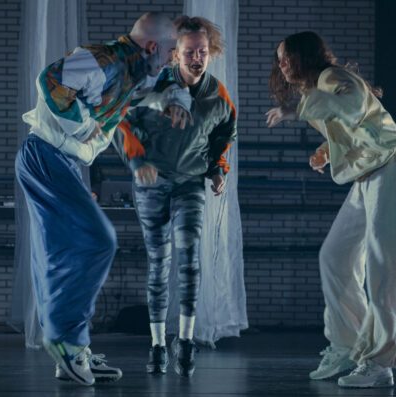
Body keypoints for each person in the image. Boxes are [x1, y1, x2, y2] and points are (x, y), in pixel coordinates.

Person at [15, 12, 193, 386]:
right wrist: (84, 123)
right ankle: (65, 343)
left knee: (61, 251)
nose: (174, 58)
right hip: (46, 155)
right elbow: (49, 79)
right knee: (98, 241)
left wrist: (178, 102)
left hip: (56, 160)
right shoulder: (107, 60)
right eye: (172, 50)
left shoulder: (139, 70)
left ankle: (72, 350)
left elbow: (166, 82)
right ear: (152, 47)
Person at [266, 31, 396, 388]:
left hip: (391, 169)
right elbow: (352, 123)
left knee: (384, 268)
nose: (282, 65)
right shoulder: (319, 87)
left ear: (304, 56)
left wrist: (295, 111)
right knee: (335, 256)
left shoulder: (332, 78)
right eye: (279, 59)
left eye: (286, 57)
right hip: (369, 175)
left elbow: (352, 106)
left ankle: (380, 363)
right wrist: (327, 147)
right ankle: (348, 345)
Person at [112, 16, 236, 377]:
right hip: (151, 184)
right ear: (175, 54)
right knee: (159, 264)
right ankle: (156, 345)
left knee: (189, 260)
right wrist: (137, 162)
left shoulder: (218, 96)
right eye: (189, 51)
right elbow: (122, 121)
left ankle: (185, 341)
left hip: (190, 184)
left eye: (203, 51)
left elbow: (223, 137)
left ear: (210, 52)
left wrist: (217, 170)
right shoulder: (154, 85)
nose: (197, 57)